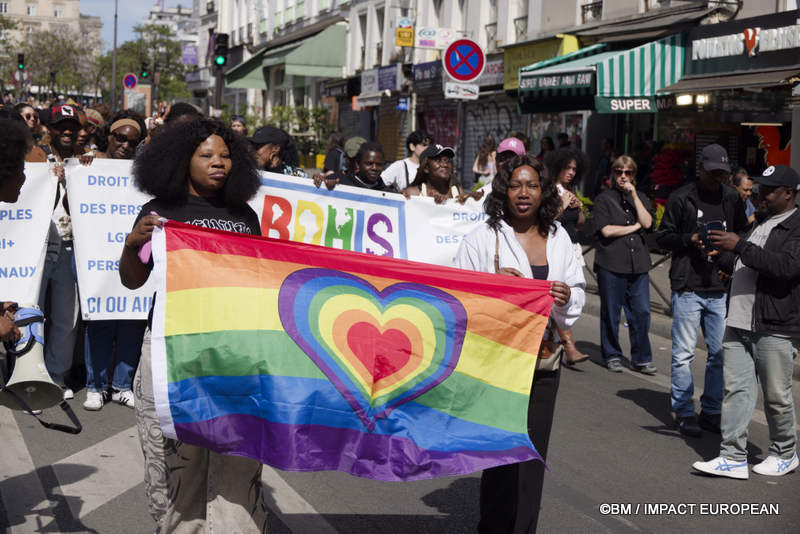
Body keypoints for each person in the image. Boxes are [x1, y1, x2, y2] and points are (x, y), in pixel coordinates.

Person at [120, 118, 268, 532]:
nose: (218, 163)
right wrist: (133, 244)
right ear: (182, 161)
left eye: (225, 155)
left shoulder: (244, 215)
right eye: (207, 155)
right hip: (173, 352)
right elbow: (132, 279)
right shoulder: (158, 214)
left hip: (234, 353)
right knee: (177, 465)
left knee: (237, 467)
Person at [455, 154, 585, 533]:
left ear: (544, 192)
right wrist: (495, 285)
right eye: (516, 185)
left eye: (532, 185)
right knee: (499, 453)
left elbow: (577, 292)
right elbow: (460, 296)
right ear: (504, 191)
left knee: (531, 456)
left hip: (543, 360)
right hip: (498, 362)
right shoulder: (483, 238)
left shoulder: (560, 237)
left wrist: (565, 297)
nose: (523, 193)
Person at [693, 164, 800, 479]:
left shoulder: (796, 227)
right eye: (760, 188)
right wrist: (716, 252)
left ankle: (784, 452)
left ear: (789, 194)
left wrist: (739, 244)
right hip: (739, 319)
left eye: (769, 190)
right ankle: (733, 456)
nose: (760, 194)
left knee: (776, 394)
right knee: (736, 390)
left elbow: (784, 267)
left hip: (774, 324)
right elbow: (744, 263)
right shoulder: (762, 222)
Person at [655, 144, 749, 437]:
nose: (717, 178)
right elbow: (662, 237)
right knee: (683, 354)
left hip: (719, 287)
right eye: (712, 173)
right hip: (687, 287)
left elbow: (741, 236)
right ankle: (683, 412)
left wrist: (730, 263)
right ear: (701, 170)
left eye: (722, 173)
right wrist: (689, 238)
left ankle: (711, 411)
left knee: (719, 353)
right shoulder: (681, 198)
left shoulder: (731, 198)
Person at [81, 111, 148, 411]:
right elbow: (74, 203)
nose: (125, 145)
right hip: (97, 254)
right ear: (108, 135)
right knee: (100, 320)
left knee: (133, 319)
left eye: (133, 141)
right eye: (120, 137)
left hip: (132, 254)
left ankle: (122, 384)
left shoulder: (144, 170)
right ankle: (95, 386)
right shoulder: (89, 163)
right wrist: (78, 174)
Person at [26, 105, 84, 400]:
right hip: (37, 246)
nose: (67, 131)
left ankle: (57, 376)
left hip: (72, 245)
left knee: (66, 317)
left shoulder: (86, 161)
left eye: (73, 126)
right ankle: (28, 376)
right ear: (50, 127)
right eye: (62, 125)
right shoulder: (34, 155)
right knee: (32, 313)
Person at [592, 155, 656, 373]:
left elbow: (647, 223)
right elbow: (606, 230)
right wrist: (634, 227)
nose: (623, 176)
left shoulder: (641, 198)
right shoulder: (603, 199)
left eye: (627, 173)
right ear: (613, 173)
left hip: (637, 263)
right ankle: (612, 354)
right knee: (611, 311)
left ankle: (641, 358)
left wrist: (635, 196)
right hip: (611, 262)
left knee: (642, 313)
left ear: (634, 175)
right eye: (619, 172)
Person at [545, 148, 590, 364]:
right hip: (553, 248)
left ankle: (558, 342)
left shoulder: (570, 190)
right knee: (558, 295)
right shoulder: (549, 190)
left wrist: (578, 207)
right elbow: (547, 219)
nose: (571, 172)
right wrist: (563, 204)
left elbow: (580, 223)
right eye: (567, 168)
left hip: (572, 247)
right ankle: (568, 345)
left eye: (574, 169)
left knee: (570, 294)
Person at [403, 144, 481, 204]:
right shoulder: (413, 193)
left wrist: (472, 200)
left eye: (447, 160)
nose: (445, 165)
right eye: (438, 161)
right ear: (426, 168)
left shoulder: (457, 191)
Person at [313, 141, 394, 192]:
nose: (374, 168)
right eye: (369, 164)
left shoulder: (388, 193)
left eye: (379, 164)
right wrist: (321, 182)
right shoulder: (339, 183)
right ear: (358, 164)